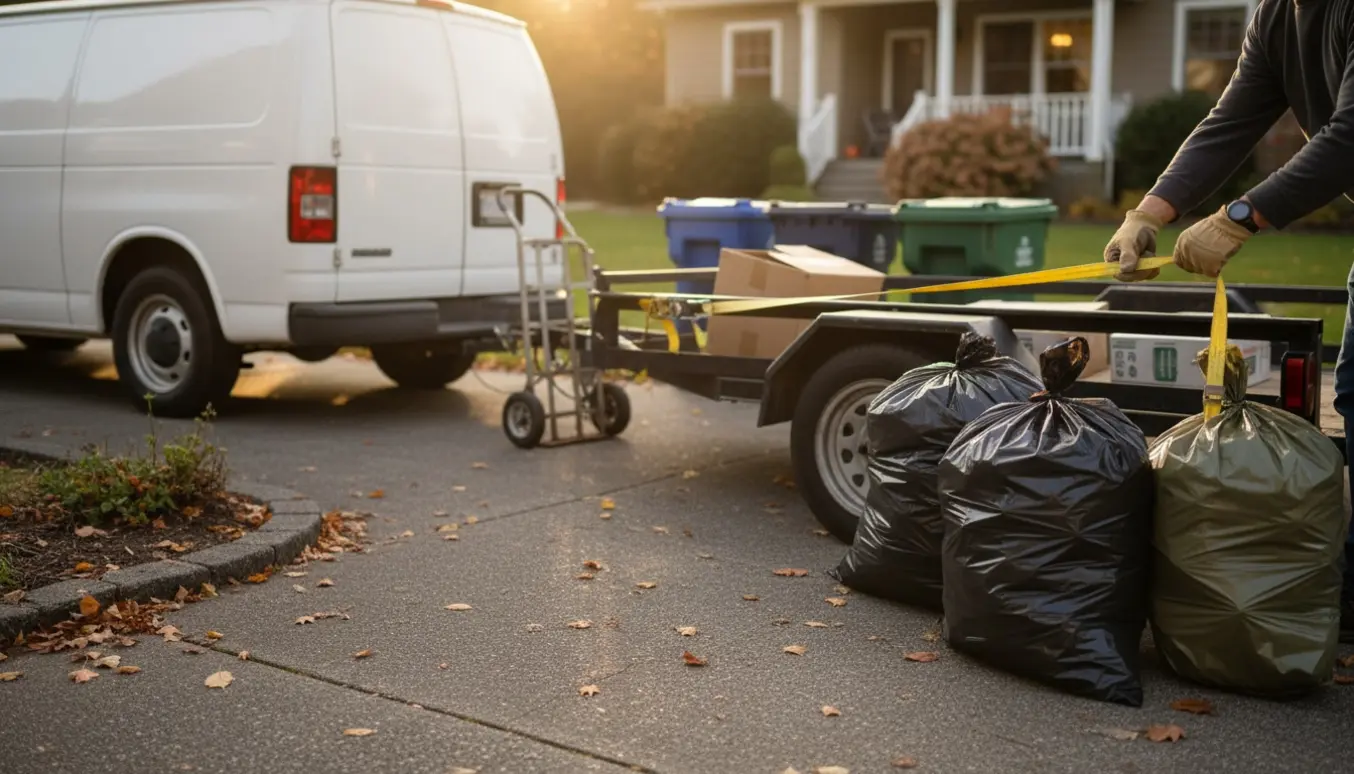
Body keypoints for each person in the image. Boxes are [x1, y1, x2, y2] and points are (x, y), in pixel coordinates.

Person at [1102, 0, 1354, 643]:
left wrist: (1243, 217)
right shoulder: (1277, 14)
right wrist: (1150, 213)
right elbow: (1230, 122)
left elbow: (1350, 134)